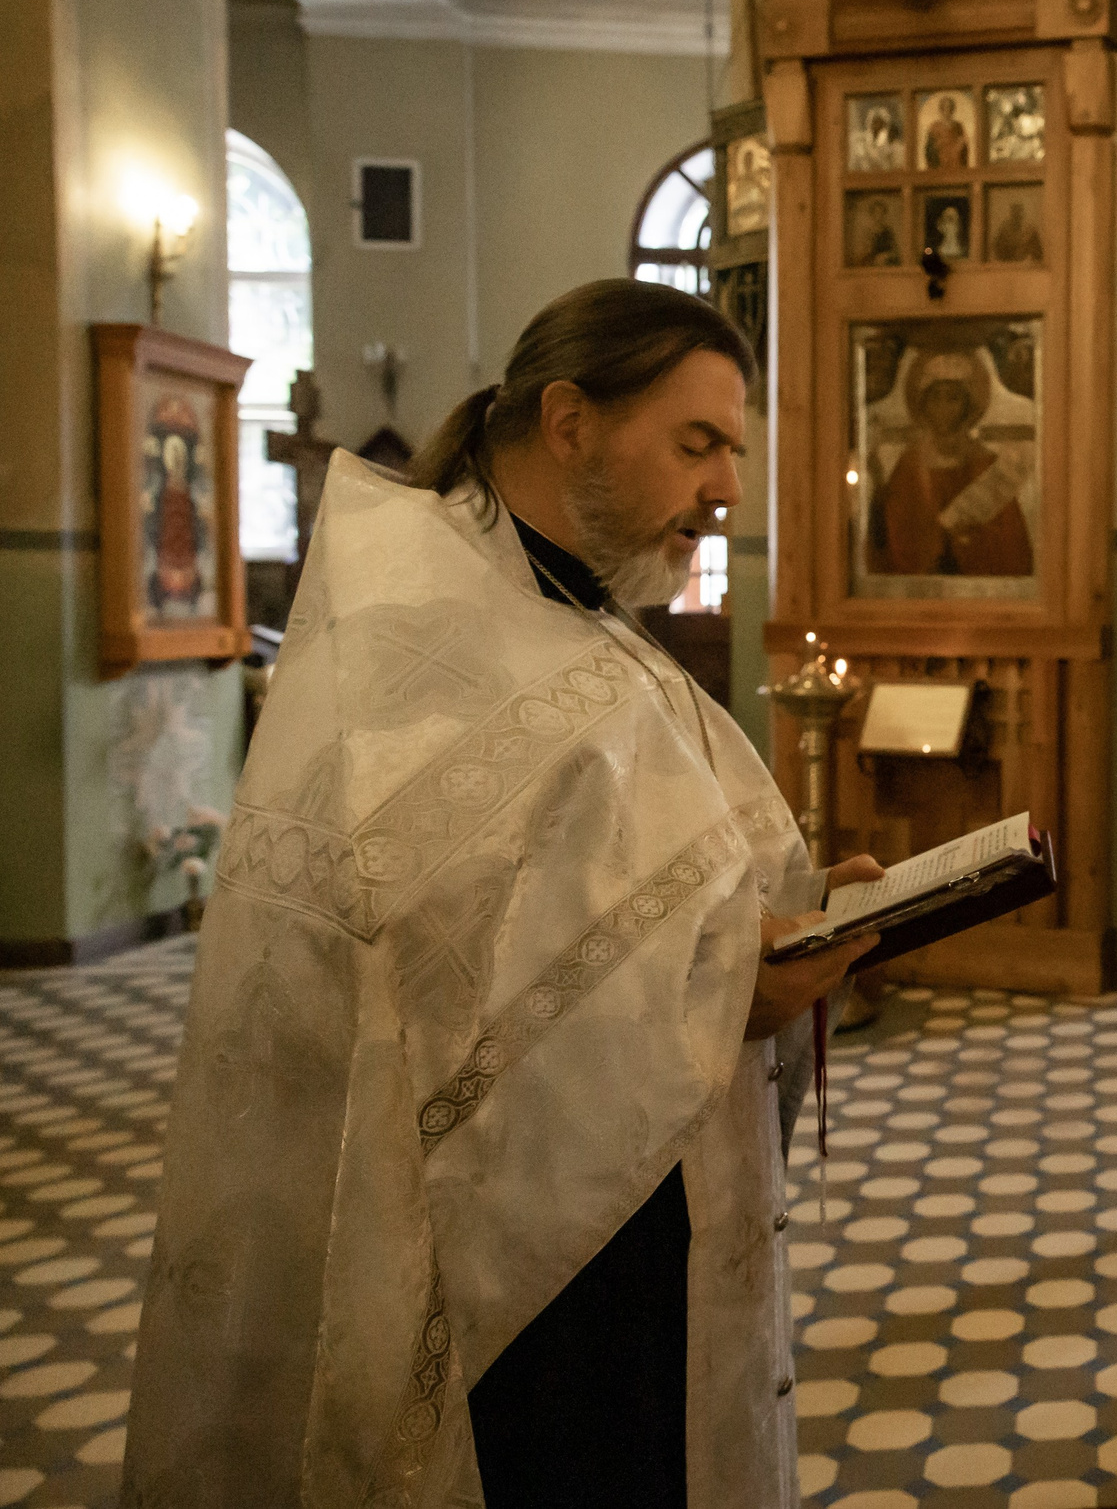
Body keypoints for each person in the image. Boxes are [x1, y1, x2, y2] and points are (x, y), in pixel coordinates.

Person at [122, 279, 881, 1507]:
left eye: (732, 449)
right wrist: (729, 979)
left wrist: (788, 918)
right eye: (698, 444)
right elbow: (435, 985)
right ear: (570, 418)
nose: (728, 487)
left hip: (634, 1209)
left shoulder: (574, 605)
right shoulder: (420, 629)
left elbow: (611, 876)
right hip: (497, 1259)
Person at [870, 353, 1036, 576]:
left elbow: (1012, 549)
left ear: (968, 406)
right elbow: (894, 538)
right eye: (935, 398)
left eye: (953, 398)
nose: (943, 408)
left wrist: (968, 540)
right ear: (923, 405)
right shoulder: (910, 465)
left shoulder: (987, 465)